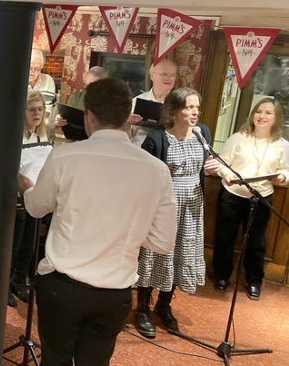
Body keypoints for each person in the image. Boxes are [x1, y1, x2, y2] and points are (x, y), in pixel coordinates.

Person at [19, 78, 177, 365]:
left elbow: (35, 207)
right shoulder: (157, 170)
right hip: (114, 292)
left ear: (89, 115)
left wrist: (26, 187)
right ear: (126, 114)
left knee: (55, 359)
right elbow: (164, 242)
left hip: (63, 286)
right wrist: (126, 232)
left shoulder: (65, 156)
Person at [135, 88, 221, 337]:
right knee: (154, 256)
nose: (195, 112)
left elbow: (201, 168)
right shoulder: (157, 138)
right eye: (189, 107)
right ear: (174, 110)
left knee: (179, 254)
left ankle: (164, 305)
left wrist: (209, 170)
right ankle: (142, 308)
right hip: (164, 208)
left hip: (192, 207)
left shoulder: (202, 133)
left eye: (197, 107)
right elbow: (144, 175)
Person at [212, 98, 289, 300]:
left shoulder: (282, 145)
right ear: (252, 114)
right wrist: (225, 174)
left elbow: (286, 171)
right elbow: (222, 164)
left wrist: (282, 177)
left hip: (261, 197)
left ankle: (254, 281)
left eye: (268, 113)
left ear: (276, 118)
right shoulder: (237, 138)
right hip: (232, 195)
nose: (262, 116)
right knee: (225, 237)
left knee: (256, 242)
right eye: (258, 111)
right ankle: (221, 276)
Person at [10, 90, 53, 305]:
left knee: (31, 243)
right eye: (32, 109)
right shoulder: (15, 134)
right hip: (17, 198)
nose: (37, 113)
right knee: (15, 244)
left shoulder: (43, 135)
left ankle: (20, 280)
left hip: (37, 196)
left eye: (40, 109)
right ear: (22, 112)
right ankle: (6, 283)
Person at [129, 60, 177, 146]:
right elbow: (128, 135)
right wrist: (127, 123)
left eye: (172, 75)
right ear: (152, 76)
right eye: (164, 74)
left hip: (166, 152)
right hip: (138, 149)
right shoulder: (137, 101)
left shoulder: (178, 104)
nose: (169, 78)